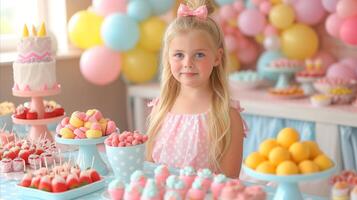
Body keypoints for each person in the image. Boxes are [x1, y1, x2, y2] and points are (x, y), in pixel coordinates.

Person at [145, 0, 247, 178]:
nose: (187, 64)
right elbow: (149, 169)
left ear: (217, 57)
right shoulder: (160, 109)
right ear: (168, 57)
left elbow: (229, 181)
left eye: (199, 55)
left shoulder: (227, 116)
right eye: (179, 55)